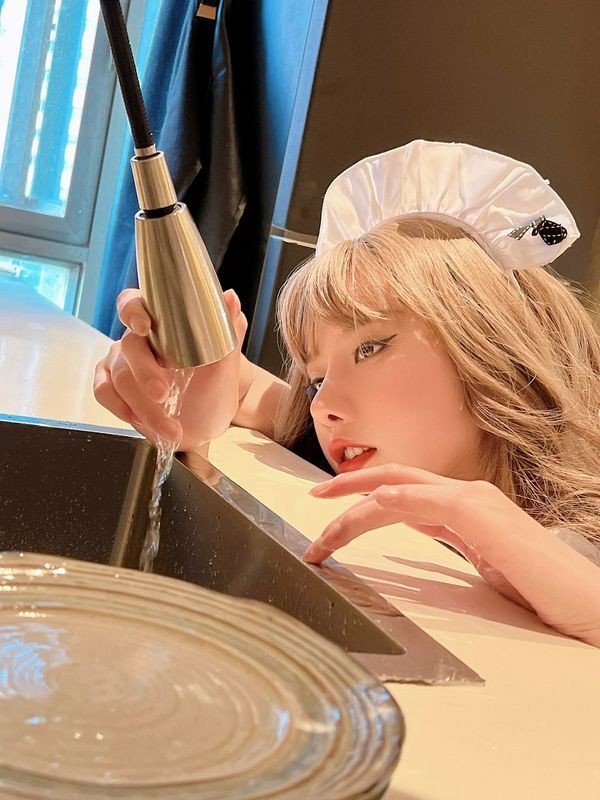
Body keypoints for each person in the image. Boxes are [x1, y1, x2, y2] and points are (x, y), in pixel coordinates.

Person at [94, 140, 600, 647]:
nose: (322, 406)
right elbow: (245, 389)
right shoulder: (356, 445)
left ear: (489, 345)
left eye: (370, 348)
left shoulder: (582, 526)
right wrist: (184, 372)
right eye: (316, 379)